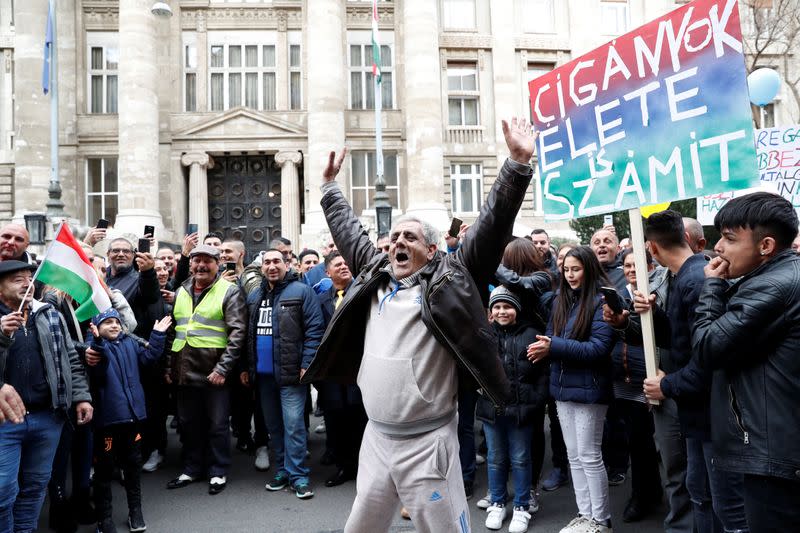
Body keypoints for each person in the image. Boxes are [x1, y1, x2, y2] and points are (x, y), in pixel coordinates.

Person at [302, 117, 536, 532]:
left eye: (409, 237)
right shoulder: (374, 273)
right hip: (376, 438)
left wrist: (516, 163)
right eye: (393, 237)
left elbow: (490, 226)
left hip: (428, 444)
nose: (398, 243)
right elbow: (349, 232)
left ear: (432, 249)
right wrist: (328, 188)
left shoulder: (453, 279)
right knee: (360, 527)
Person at [690, 192, 800, 532]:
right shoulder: (779, 277)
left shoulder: (772, 287)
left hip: (774, 452)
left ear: (765, 245)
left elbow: (708, 348)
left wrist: (711, 287)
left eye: (729, 238)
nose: (719, 247)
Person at [0, 260, 93, 532]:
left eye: (29, 278)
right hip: (6, 423)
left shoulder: (49, 314)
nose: (27, 283)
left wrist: (81, 397)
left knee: (35, 487)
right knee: (4, 493)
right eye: (17, 279)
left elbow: (70, 360)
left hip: (47, 418)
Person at [528, 246, 616, 533]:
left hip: (590, 389)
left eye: (575, 269)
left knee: (590, 456)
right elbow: (552, 337)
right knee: (574, 455)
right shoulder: (559, 301)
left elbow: (598, 349)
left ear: (588, 269)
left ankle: (600, 520)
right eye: (566, 270)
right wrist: (546, 346)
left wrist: (553, 347)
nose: (570, 275)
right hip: (562, 388)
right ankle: (584, 514)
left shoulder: (602, 301)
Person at [243, 249, 325, 499]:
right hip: (263, 376)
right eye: (267, 262)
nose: (272, 266)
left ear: (287, 265)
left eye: (277, 261)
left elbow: (314, 330)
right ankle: (283, 471)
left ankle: (299, 476)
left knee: (294, 427)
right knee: (273, 427)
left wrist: (307, 363)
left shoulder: (301, 291)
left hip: (292, 375)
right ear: (262, 267)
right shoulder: (256, 295)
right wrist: (246, 367)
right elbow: (248, 334)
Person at [165, 244, 246, 495]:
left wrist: (222, 369)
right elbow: (173, 332)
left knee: (218, 425)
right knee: (189, 423)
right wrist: (169, 366)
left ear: (217, 264)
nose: (201, 265)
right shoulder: (181, 290)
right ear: (190, 265)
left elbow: (238, 334)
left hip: (214, 373)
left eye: (207, 261)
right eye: (196, 260)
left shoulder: (229, 291)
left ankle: (218, 471)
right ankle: (192, 468)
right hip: (184, 370)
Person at [84, 309, 171, 533]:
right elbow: (99, 372)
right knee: (104, 471)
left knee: (132, 466)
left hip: (132, 420)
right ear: (96, 328)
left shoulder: (129, 344)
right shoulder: (94, 349)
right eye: (107, 323)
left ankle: (136, 511)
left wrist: (158, 336)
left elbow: (150, 358)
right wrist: (96, 342)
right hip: (108, 424)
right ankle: (105, 518)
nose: (114, 326)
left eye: (117, 322)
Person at [477, 286, 548, 533]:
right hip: (491, 408)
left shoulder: (532, 334)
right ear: (490, 311)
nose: (502, 311)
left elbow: (541, 373)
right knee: (495, 459)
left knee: (520, 459)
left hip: (522, 410)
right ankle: (497, 502)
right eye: (497, 307)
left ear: (516, 309)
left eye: (507, 306)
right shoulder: (484, 335)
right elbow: (475, 368)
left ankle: (521, 506)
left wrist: (536, 400)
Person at [610, 249, 663, 523]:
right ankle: (645, 494)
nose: (631, 269)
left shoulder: (659, 294)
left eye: (637, 265)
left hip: (654, 379)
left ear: (651, 266)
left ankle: (651, 496)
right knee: (637, 443)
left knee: (657, 444)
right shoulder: (618, 296)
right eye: (627, 265)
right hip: (625, 380)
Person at [314, 251, 366, 489]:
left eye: (346, 263)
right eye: (338, 264)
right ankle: (344, 466)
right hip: (332, 372)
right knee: (336, 418)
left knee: (360, 417)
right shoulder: (321, 299)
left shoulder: (363, 293)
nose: (344, 267)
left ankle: (365, 468)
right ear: (328, 272)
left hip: (359, 369)